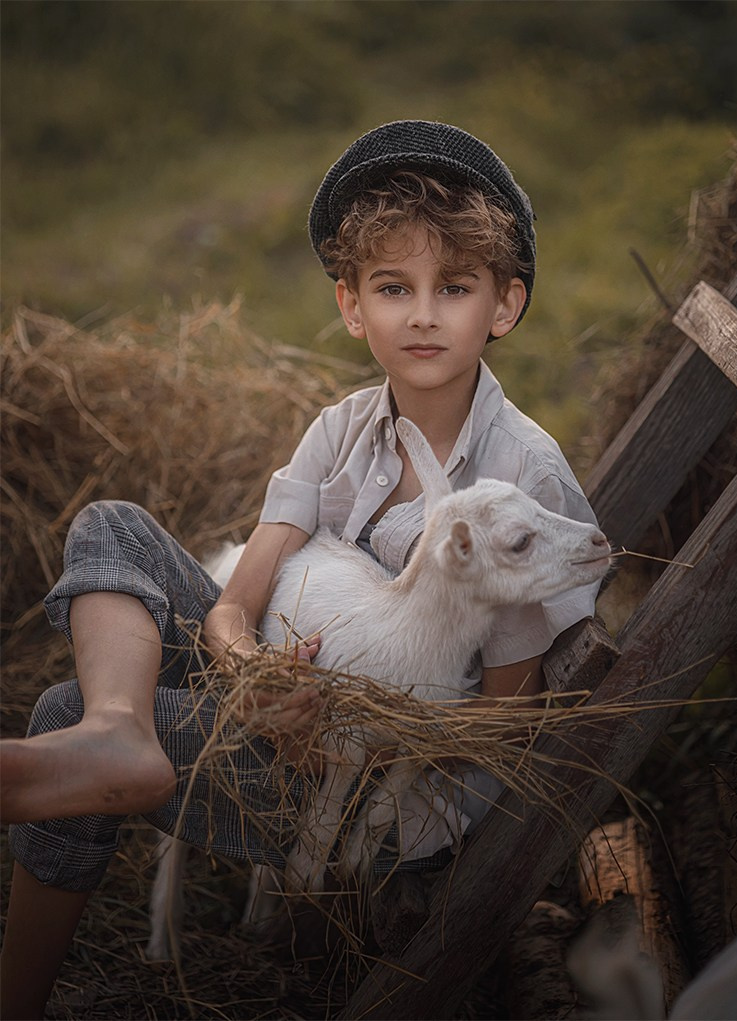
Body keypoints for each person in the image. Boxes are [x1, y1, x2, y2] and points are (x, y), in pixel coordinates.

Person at [0, 120, 601, 1018]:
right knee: (113, 524)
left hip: (364, 785)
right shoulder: (341, 429)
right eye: (394, 287)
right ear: (353, 307)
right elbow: (233, 608)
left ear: (504, 307)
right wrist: (252, 677)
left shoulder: (519, 480)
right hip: (285, 695)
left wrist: (327, 732)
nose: (424, 314)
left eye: (457, 287)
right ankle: (119, 727)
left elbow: (497, 721)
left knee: (51, 708)